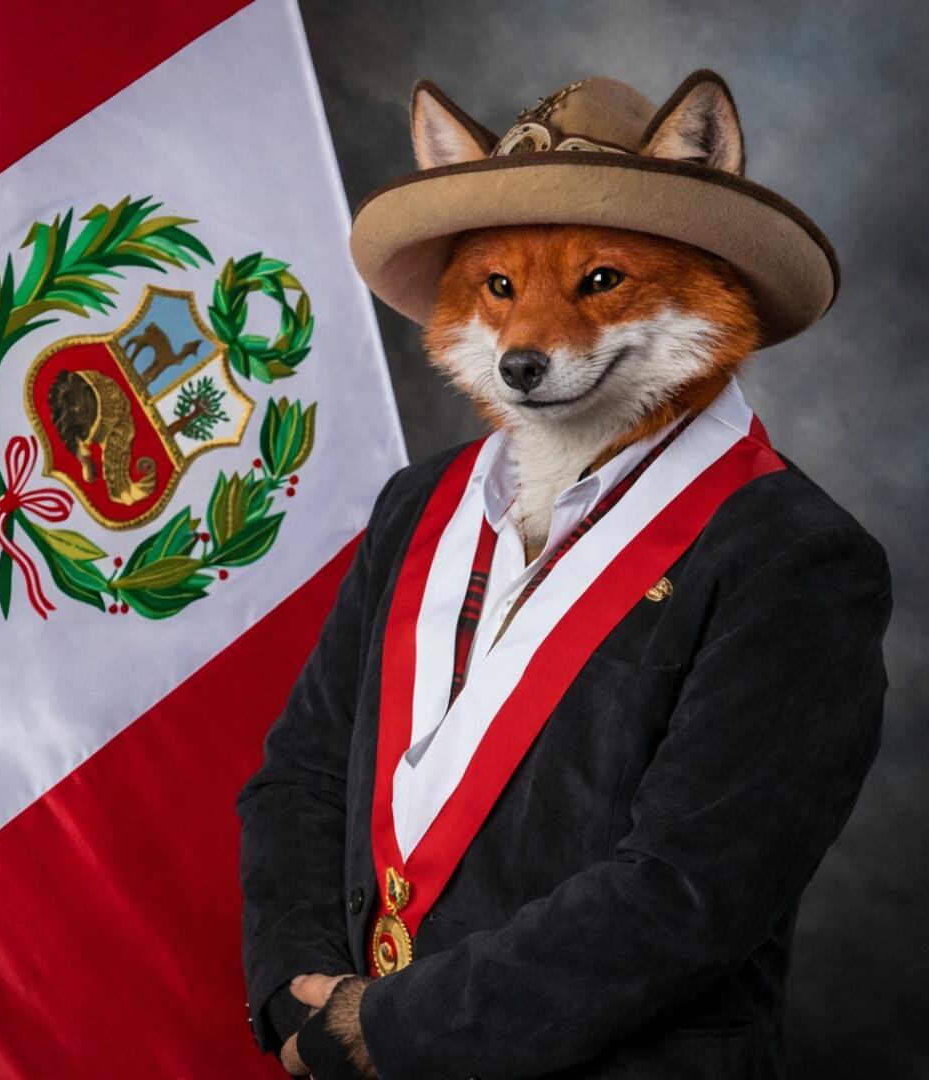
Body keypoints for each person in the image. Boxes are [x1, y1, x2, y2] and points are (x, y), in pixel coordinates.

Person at [237, 72, 889, 1077]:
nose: (531, 342)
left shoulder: (793, 558)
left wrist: (388, 1030)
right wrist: (295, 985)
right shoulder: (418, 505)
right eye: (500, 287)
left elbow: (688, 895)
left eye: (600, 282)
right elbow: (307, 773)